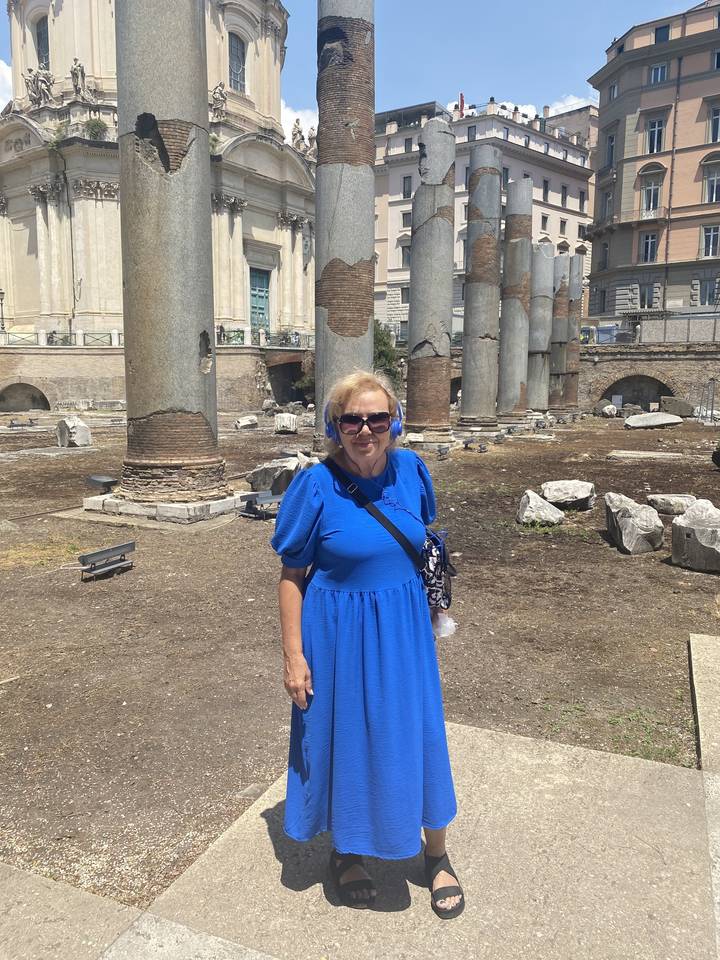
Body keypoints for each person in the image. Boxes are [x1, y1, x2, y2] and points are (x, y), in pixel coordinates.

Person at [271, 370, 464, 918]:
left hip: (402, 630)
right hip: (336, 634)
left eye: (377, 419)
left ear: (394, 423)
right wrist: (294, 657)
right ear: (334, 426)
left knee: (418, 733)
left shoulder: (412, 470)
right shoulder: (315, 486)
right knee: (347, 739)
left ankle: (436, 853)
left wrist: (433, 609)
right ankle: (348, 851)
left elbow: (421, 540)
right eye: (351, 420)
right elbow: (292, 575)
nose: (365, 430)